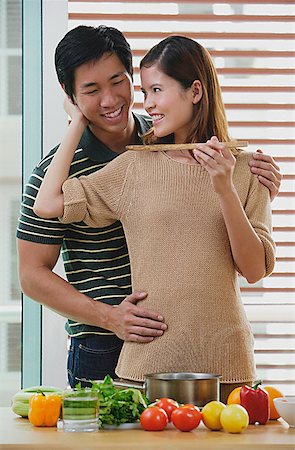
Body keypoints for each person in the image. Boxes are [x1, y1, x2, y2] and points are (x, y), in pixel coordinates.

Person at [17, 26, 281, 391]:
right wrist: (110, 317)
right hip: (105, 339)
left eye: (121, 83)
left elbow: (249, 263)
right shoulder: (75, 170)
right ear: (71, 96)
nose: (111, 100)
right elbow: (32, 273)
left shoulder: (156, 140)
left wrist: (242, 189)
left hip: (211, 347)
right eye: (91, 91)